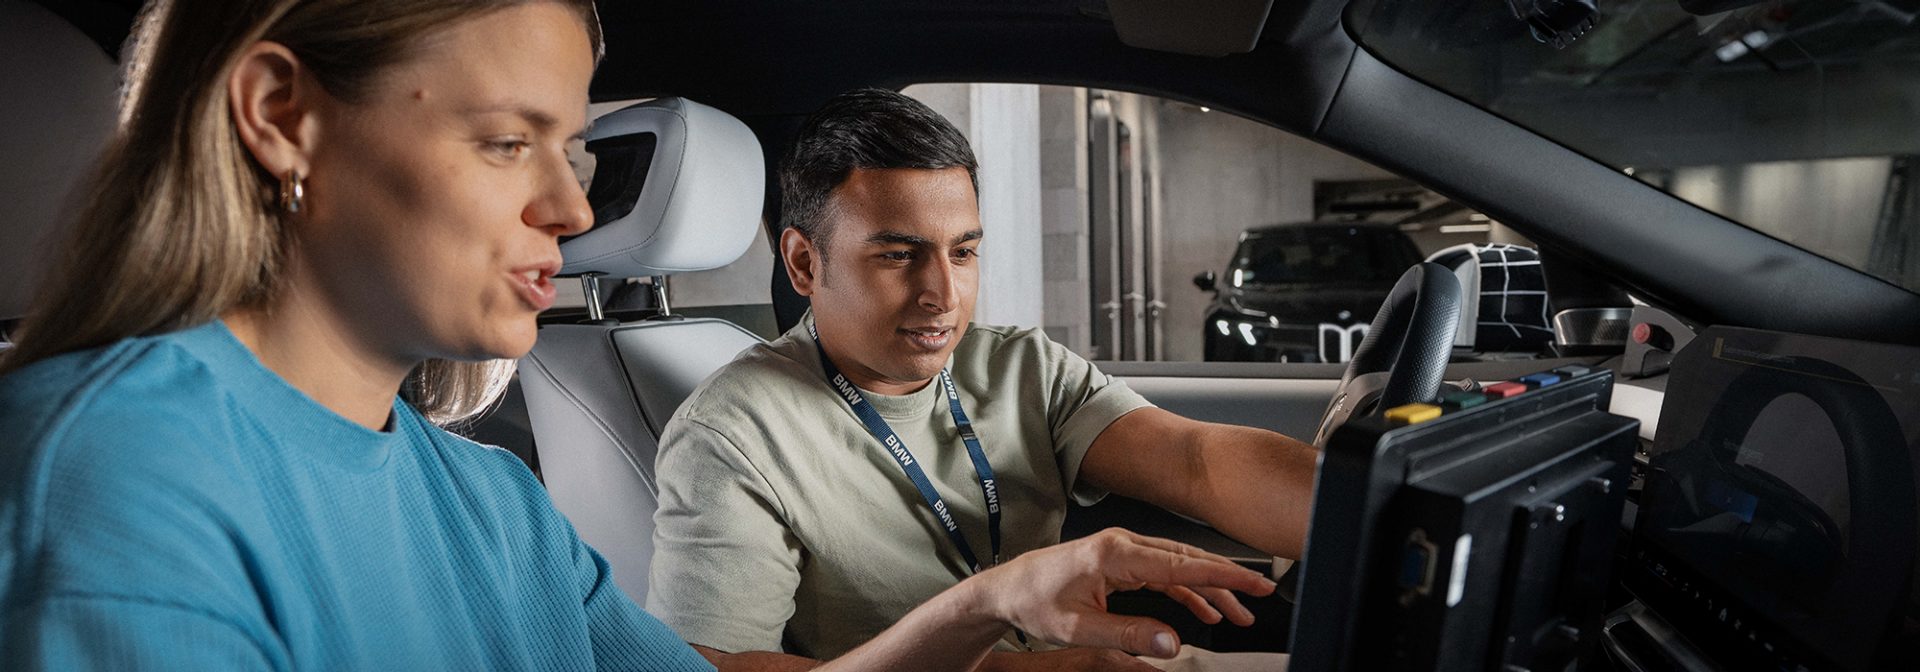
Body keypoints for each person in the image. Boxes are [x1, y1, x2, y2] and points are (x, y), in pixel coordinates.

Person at [0, 2, 1274, 669]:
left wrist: (996, 603)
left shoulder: (479, 499)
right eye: (510, 142)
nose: (568, 204)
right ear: (283, 113)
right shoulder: (116, 486)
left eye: (571, 146)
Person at [648, 88, 1320, 671]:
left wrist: (1362, 510)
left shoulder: (1017, 365)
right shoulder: (732, 434)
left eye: (963, 252)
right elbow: (713, 668)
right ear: (802, 263)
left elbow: (1193, 460)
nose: (943, 294)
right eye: (897, 256)